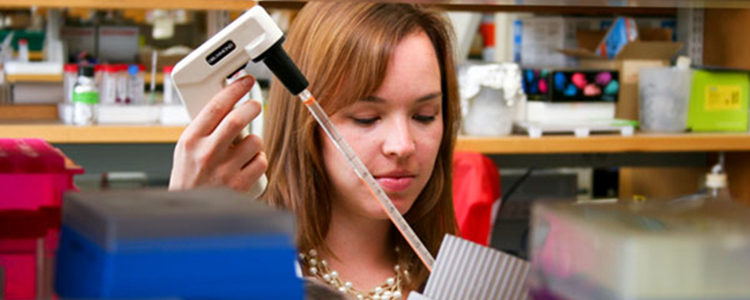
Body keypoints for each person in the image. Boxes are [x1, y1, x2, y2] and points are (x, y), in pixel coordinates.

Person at [169, 2, 461, 299]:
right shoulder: (246, 270)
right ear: (304, 121)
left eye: (425, 115)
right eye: (366, 118)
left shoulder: (459, 279)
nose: (402, 145)